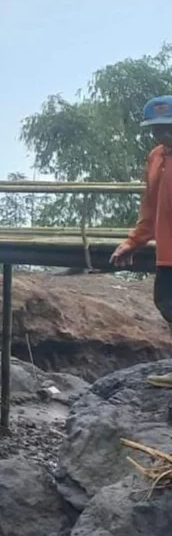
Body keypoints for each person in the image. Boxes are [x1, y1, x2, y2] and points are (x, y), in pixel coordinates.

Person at [112, 95, 172, 388]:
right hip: (168, 251)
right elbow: (149, 207)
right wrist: (133, 241)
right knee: (166, 302)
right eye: (157, 129)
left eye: (168, 127)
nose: (163, 133)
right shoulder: (155, 157)